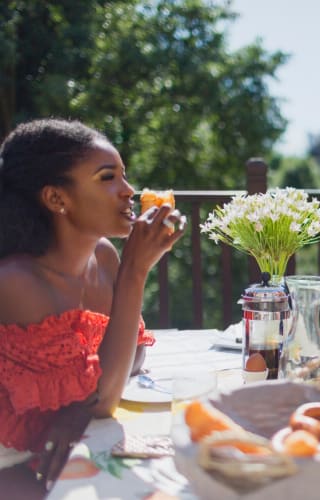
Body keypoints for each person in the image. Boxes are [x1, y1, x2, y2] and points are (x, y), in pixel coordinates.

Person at [0, 118, 185, 495]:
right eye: (107, 178)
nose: (128, 191)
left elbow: (130, 359)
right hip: (15, 466)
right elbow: (105, 397)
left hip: (77, 446)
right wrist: (137, 270)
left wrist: (81, 408)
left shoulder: (103, 256)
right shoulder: (16, 282)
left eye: (124, 176)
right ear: (56, 199)